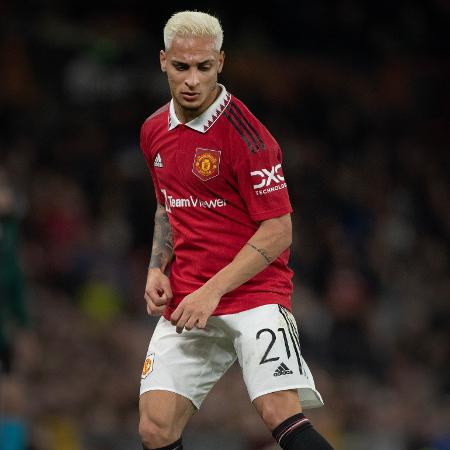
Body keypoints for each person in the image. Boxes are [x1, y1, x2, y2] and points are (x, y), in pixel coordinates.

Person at [138, 11, 333, 450]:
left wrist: (213, 291)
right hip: (190, 297)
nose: (192, 79)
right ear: (163, 61)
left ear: (220, 63)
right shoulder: (153, 130)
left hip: (253, 296)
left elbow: (278, 231)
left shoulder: (249, 139)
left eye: (204, 67)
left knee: (280, 414)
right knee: (154, 429)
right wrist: (157, 268)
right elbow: (167, 205)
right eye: (181, 67)